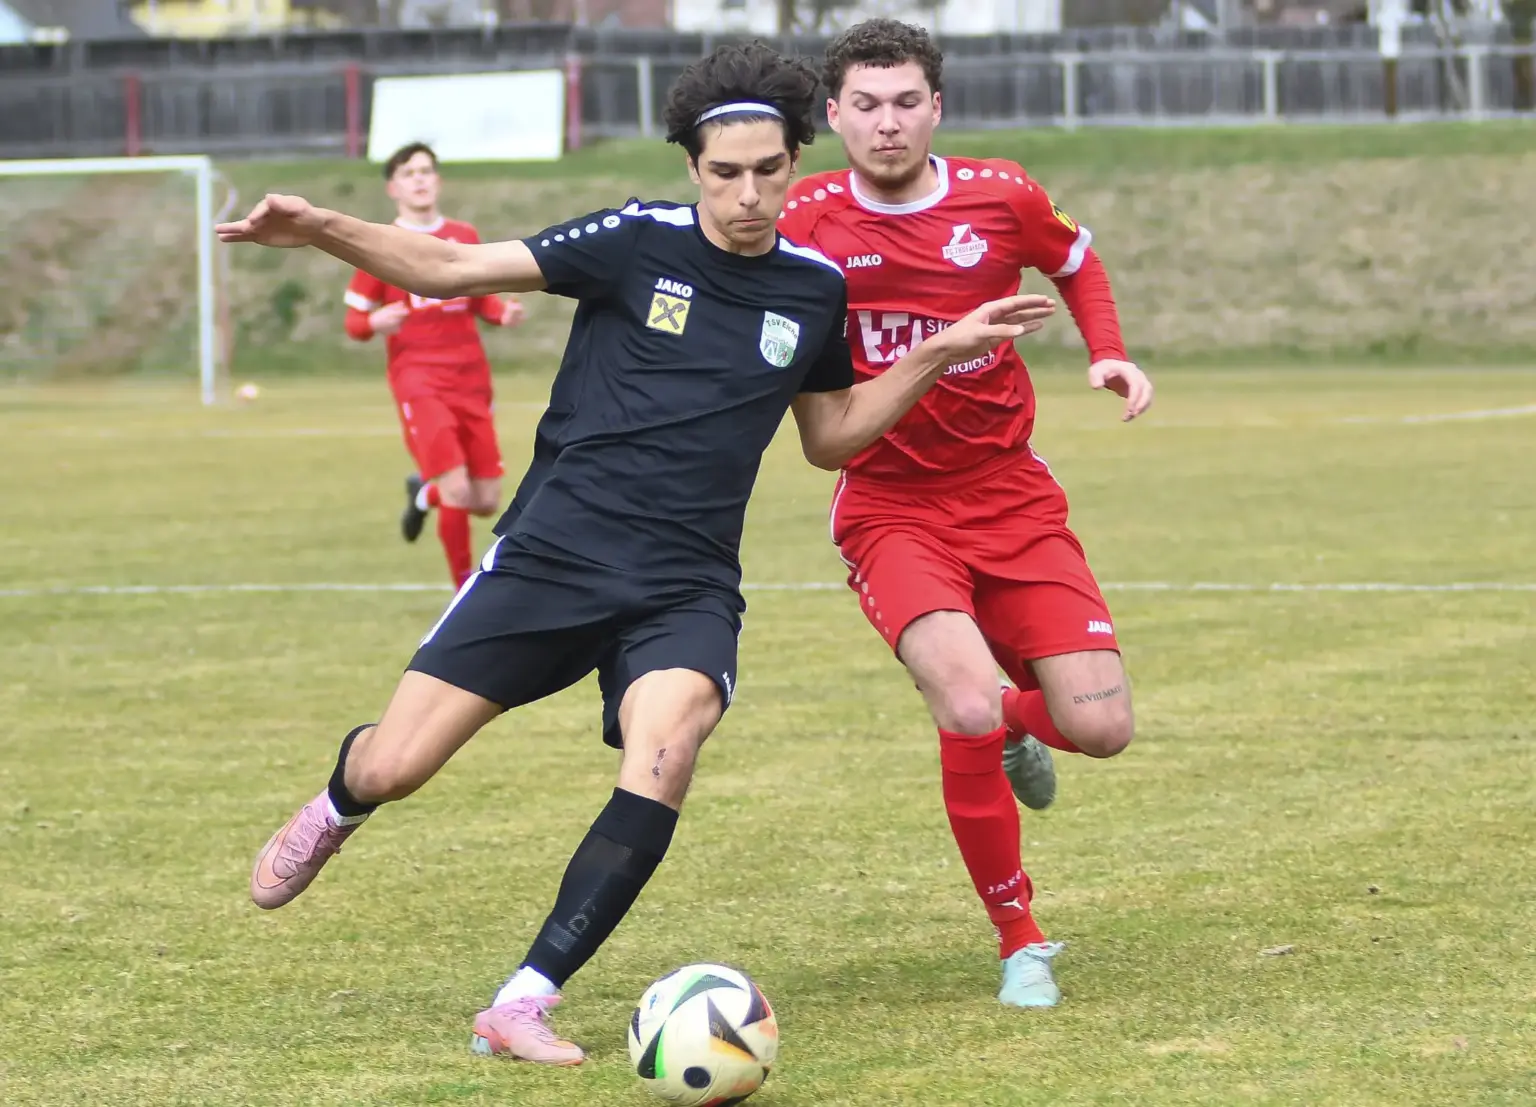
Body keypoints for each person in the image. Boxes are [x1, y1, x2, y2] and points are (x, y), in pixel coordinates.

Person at [217, 42, 1054, 1065]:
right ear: (692, 168)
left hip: (684, 584)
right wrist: (319, 229)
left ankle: (523, 999)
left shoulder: (812, 288)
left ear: (795, 161)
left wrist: (930, 354)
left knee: (669, 748)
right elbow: (449, 265)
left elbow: (829, 436)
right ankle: (341, 800)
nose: (749, 194)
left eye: (769, 170)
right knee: (397, 765)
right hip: (552, 557)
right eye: (725, 173)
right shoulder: (632, 241)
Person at [775, 18, 1155, 1010]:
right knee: (966, 702)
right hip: (892, 508)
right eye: (866, 105)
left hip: (1012, 494)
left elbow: (1075, 259)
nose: (887, 124)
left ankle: (1019, 730)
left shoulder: (1003, 195)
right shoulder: (804, 220)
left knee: (1105, 728)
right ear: (835, 116)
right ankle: (1019, 938)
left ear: (936, 107)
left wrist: (1104, 349)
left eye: (906, 103)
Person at [343, 141, 525, 589]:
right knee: (458, 490)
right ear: (393, 188)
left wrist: (504, 314)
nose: (420, 179)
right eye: (409, 173)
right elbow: (353, 321)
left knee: (485, 499)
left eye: (426, 171)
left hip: (471, 377)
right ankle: (464, 589)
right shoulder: (383, 243)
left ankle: (423, 493)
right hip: (419, 379)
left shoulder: (462, 236)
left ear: (438, 181)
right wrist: (374, 321)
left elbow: (482, 301)